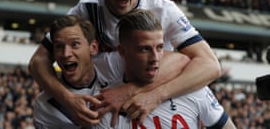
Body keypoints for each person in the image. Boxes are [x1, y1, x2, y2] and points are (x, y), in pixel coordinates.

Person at [28, 0, 221, 126]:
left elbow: (209, 65)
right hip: (106, 108)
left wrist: (144, 93)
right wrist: (68, 100)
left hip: (153, 102)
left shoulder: (163, 9)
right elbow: (39, 60)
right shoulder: (86, 10)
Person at [33, 14, 190, 128]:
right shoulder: (45, 105)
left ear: (93, 48)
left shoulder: (113, 64)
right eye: (59, 46)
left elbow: (180, 60)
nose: (66, 53)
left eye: (74, 45)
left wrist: (128, 90)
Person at [95, 10, 236, 129]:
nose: (155, 58)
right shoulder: (108, 104)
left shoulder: (190, 85)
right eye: (145, 49)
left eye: (160, 47)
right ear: (122, 52)